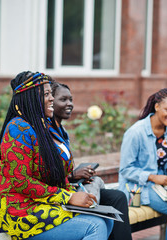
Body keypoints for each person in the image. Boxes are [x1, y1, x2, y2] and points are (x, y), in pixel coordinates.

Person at [0, 71, 113, 239]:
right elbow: (21, 181)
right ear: (31, 98)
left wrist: (72, 191)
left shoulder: (41, 126)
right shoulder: (17, 129)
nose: (51, 99)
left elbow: (51, 172)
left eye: (51, 94)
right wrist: (69, 196)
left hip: (43, 203)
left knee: (107, 220)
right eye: (47, 94)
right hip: (20, 211)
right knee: (95, 226)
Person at [51, 81, 132, 240]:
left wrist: (77, 176)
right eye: (63, 100)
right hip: (59, 193)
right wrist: (71, 176)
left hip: (70, 184)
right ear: (49, 101)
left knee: (118, 197)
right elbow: (45, 177)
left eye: (71, 100)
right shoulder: (44, 133)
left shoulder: (62, 132)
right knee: (101, 218)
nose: (70, 104)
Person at [118, 88, 167, 240]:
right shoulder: (136, 132)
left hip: (165, 187)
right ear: (157, 106)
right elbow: (126, 170)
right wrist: (152, 177)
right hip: (138, 189)